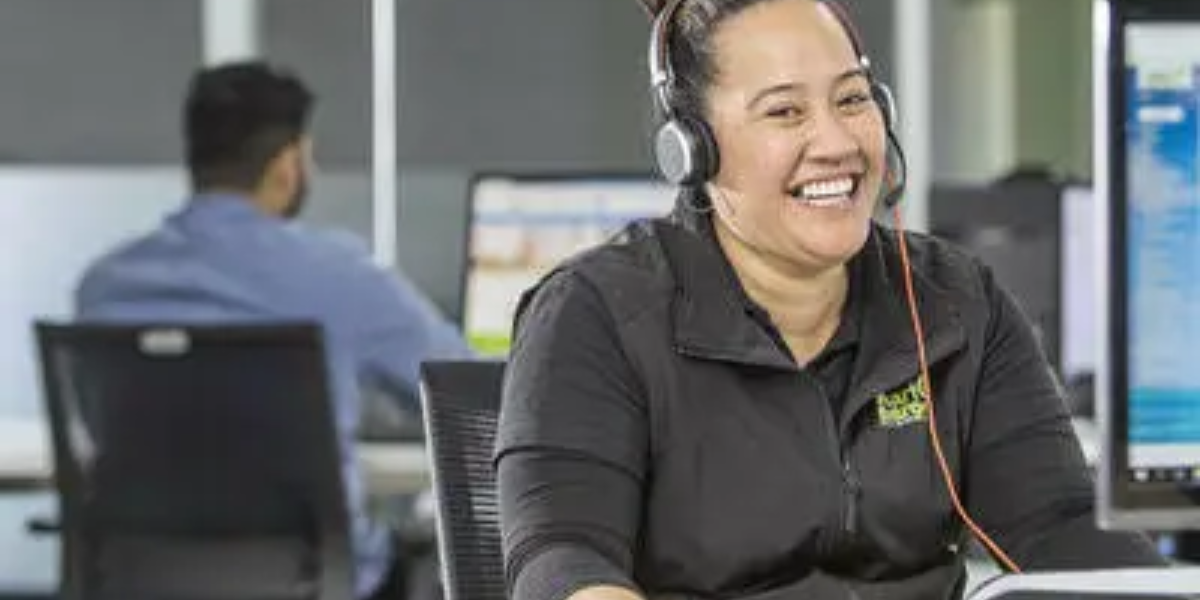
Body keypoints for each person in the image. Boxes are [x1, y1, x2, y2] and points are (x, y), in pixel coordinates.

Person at [494, 1, 1167, 600]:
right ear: (693, 146)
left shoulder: (957, 302)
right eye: (785, 111)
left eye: (851, 100)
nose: (838, 143)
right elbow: (563, 563)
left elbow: (1062, 530)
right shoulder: (596, 314)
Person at [75, 60, 471, 600]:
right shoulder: (337, 275)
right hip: (310, 584)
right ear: (287, 165)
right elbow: (466, 392)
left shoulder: (105, 287)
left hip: (140, 580)